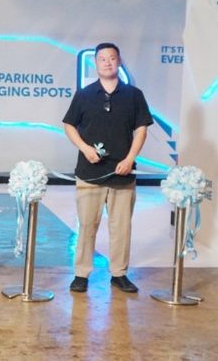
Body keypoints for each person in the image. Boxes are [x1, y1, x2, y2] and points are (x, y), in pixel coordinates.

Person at [62, 42, 153, 293]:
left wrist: (130, 158)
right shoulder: (84, 94)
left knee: (121, 228)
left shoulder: (134, 95)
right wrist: (84, 148)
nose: (107, 63)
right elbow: (69, 125)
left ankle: (119, 273)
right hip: (89, 174)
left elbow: (141, 129)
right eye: (102, 59)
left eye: (112, 58)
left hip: (123, 173)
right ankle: (81, 274)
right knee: (87, 226)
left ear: (119, 61)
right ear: (96, 63)